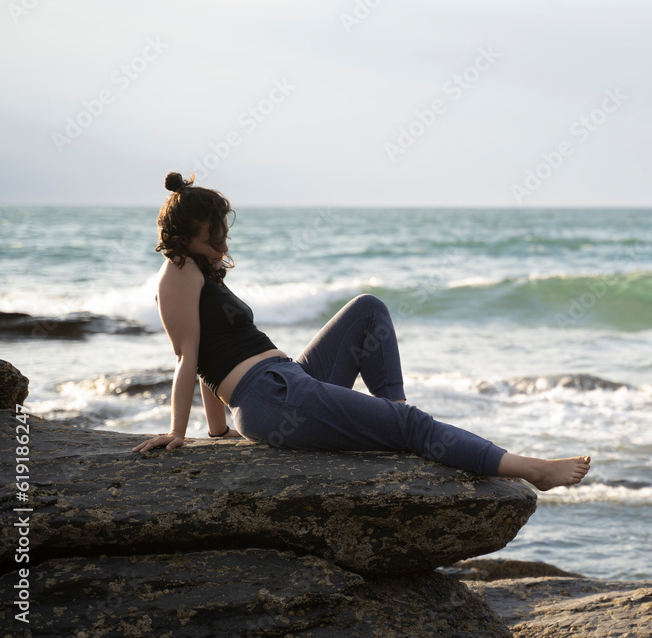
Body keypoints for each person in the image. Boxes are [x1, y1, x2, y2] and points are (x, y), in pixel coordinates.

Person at [131, 172, 591, 491]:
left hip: (288, 383)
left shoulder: (197, 272)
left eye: (223, 234)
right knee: (413, 428)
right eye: (213, 237)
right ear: (181, 238)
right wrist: (177, 431)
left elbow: (212, 352)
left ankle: (392, 415)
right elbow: (188, 357)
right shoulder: (177, 270)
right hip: (272, 396)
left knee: (367, 309)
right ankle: (531, 470)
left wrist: (216, 432)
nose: (223, 245)